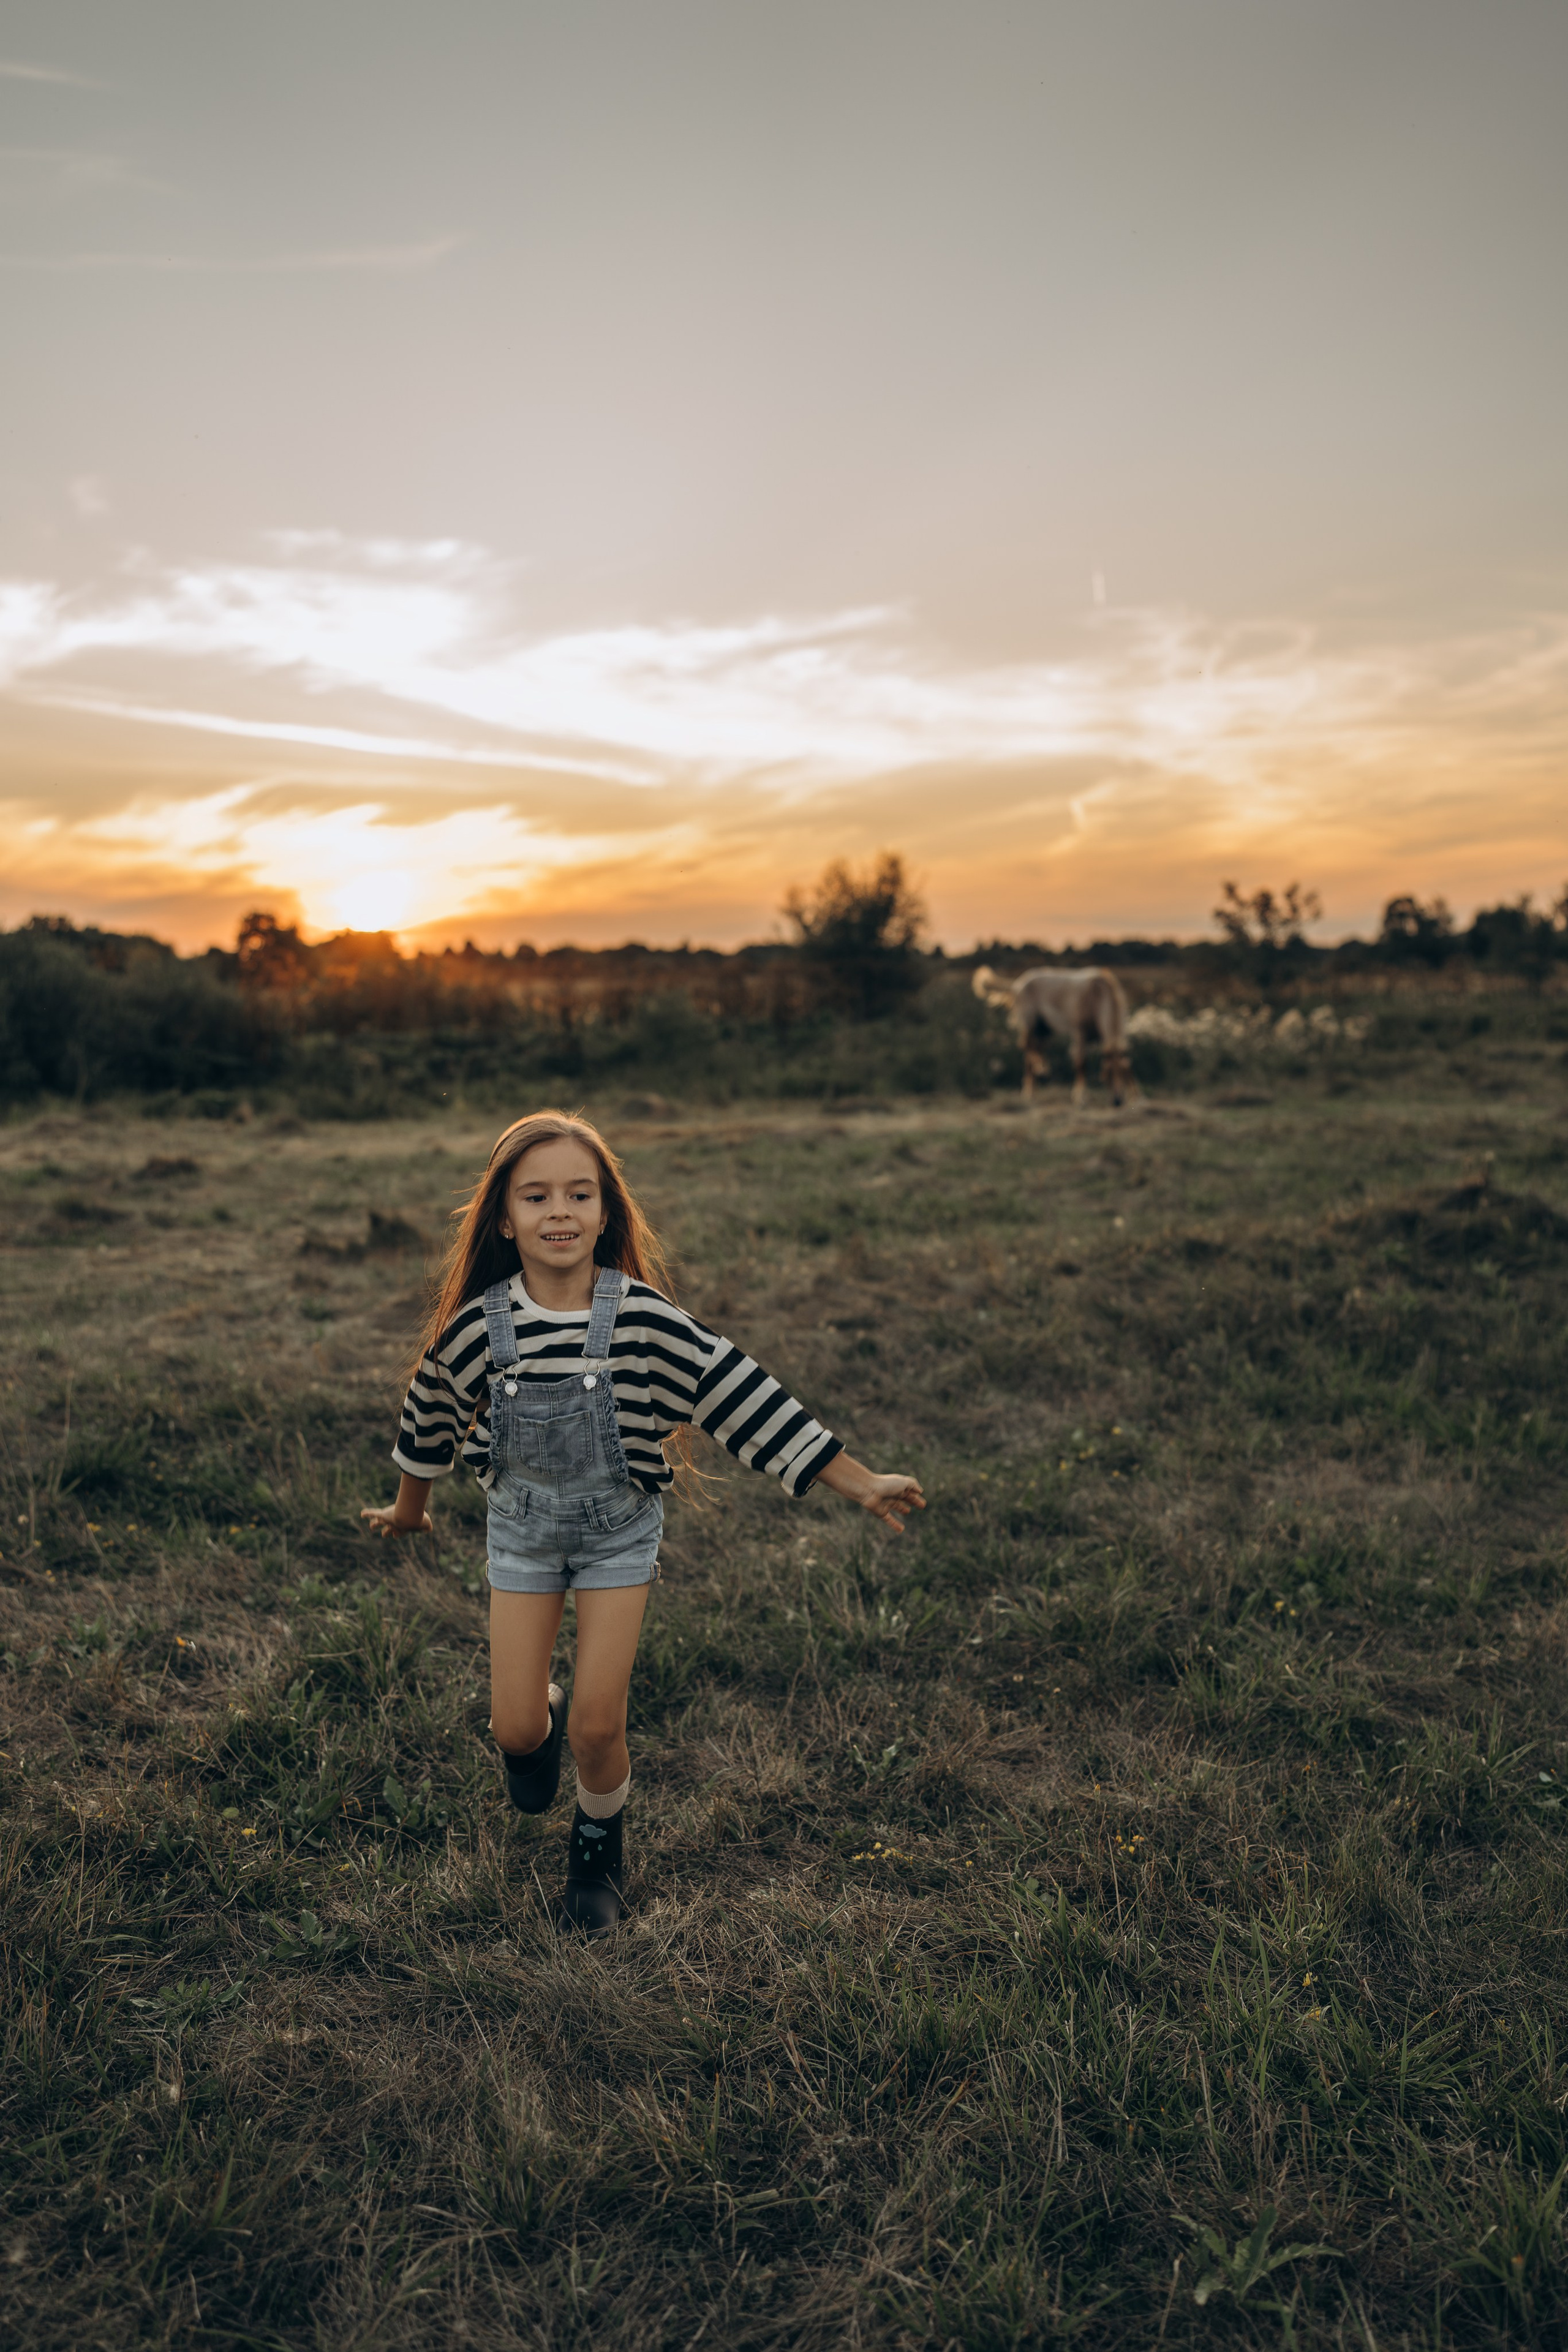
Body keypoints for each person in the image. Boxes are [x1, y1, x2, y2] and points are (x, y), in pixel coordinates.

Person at [362, 1108, 924, 1934]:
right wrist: (410, 1511)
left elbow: (743, 1396)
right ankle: (536, 1727)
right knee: (517, 1727)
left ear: (606, 1212)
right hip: (522, 1535)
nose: (560, 1212)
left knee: (599, 1724)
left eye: (580, 1194)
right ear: (506, 1221)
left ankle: (597, 1850)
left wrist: (858, 1479)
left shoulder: (644, 1319)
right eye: (538, 1197)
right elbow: (429, 1416)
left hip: (616, 1536)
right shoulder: (482, 1327)